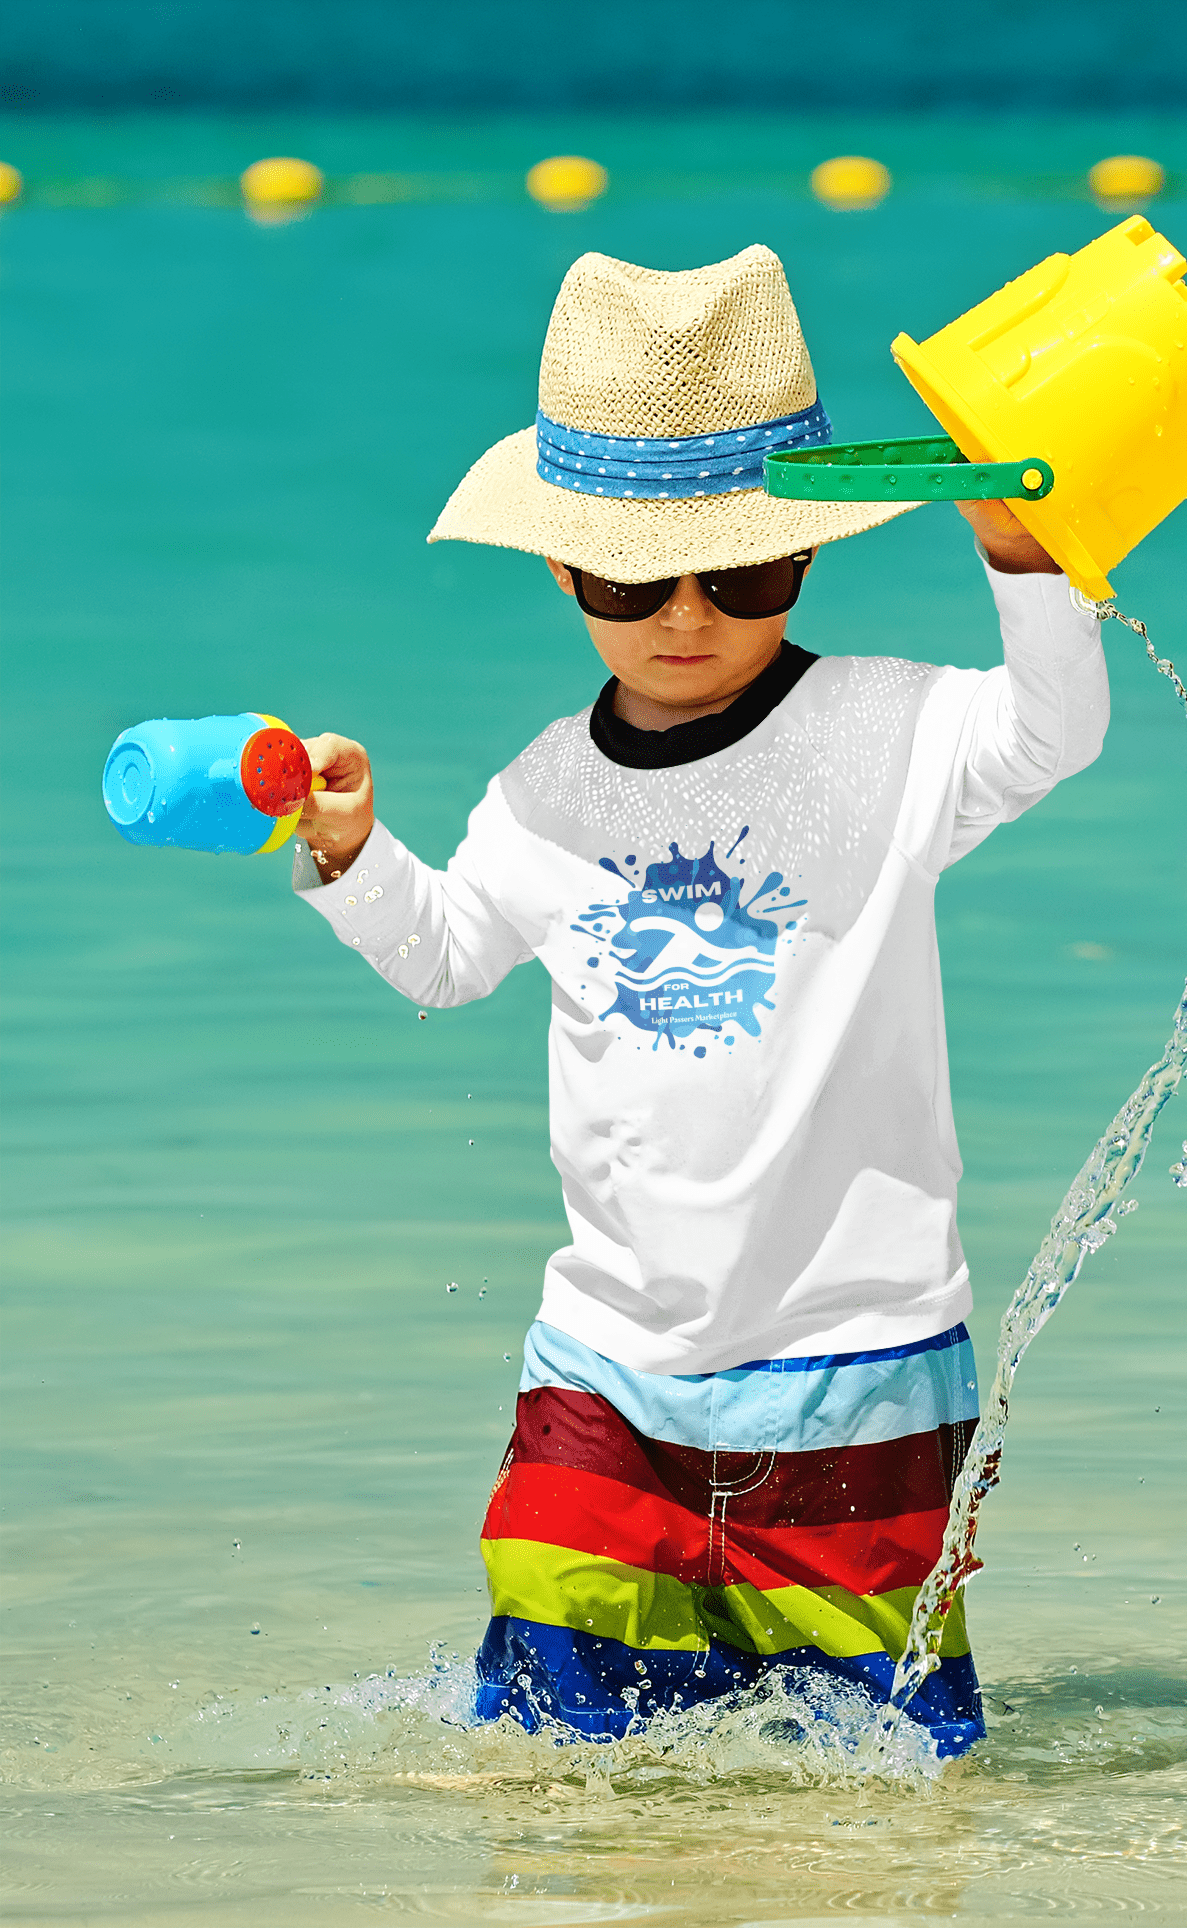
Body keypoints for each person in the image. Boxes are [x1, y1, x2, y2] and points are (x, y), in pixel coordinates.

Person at [293, 244, 1108, 1757]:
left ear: (808, 553)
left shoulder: (887, 727)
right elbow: (451, 952)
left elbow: (1055, 731)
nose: (686, 616)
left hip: (858, 1360)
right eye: (629, 578)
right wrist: (350, 855)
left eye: (741, 572)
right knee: (550, 1752)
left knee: (884, 1775)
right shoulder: (542, 788)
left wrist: (1024, 557)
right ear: (562, 570)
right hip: (605, 1363)